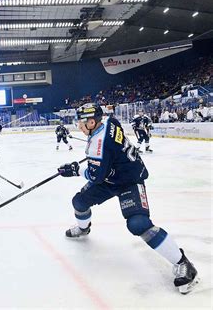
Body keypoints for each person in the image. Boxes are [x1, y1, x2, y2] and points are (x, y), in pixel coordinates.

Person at [57, 103, 199, 294]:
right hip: (112, 176)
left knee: (138, 224)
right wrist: (105, 158)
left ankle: (184, 264)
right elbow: (109, 152)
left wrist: (75, 169)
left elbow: (96, 175)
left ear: (92, 122)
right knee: (79, 202)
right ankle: (84, 229)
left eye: (81, 123)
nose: (79, 127)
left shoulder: (98, 144)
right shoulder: (110, 121)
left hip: (130, 180)